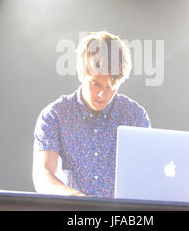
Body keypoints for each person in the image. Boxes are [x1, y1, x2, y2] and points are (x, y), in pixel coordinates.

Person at [32, 31, 151, 198]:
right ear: (81, 74)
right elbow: (42, 175)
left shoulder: (134, 115)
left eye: (111, 86)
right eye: (95, 84)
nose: (103, 94)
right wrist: (76, 198)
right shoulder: (55, 115)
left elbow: (146, 174)